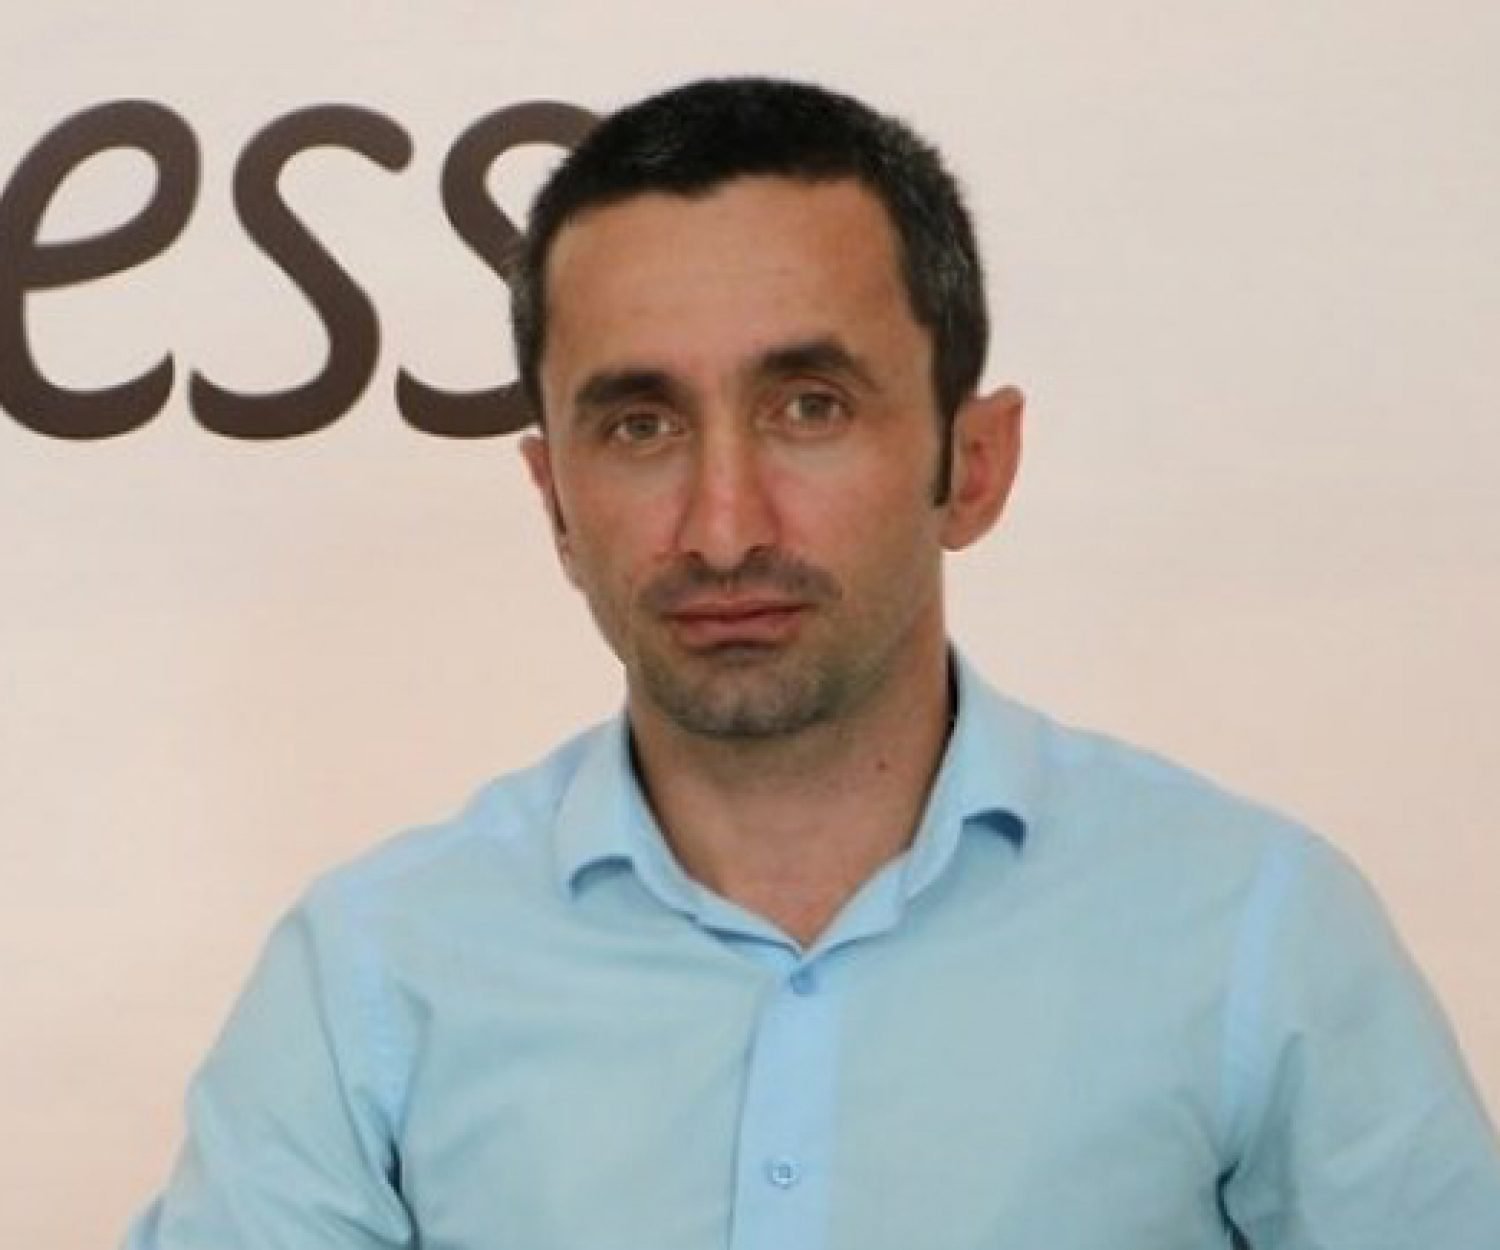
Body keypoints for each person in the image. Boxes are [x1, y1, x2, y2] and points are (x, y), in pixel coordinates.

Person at [123, 77, 1500, 1250]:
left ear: (975, 462)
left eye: (809, 407)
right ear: (555, 503)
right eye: (641, 425)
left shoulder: (1258, 930)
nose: (725, 526)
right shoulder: (370, 976)